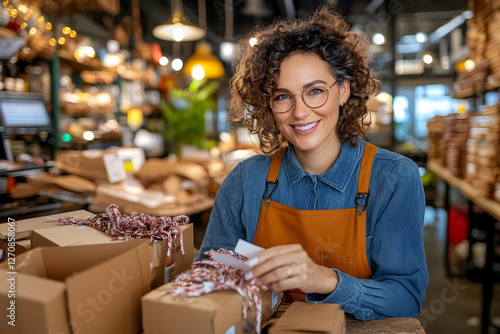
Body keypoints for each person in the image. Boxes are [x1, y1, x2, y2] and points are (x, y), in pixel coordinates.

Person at [199, 6, 428, 320]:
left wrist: (324, 279)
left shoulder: (392, 178)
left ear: (344, 90)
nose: (300, 112)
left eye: (315, 91)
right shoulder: (244, 181)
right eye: (282, 96)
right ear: (268, 104)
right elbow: (207, 276)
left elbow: (405, 299)